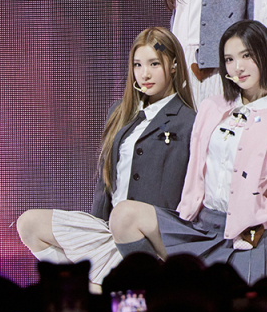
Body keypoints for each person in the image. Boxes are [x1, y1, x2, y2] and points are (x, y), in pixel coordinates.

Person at [108, 20, 267, 284]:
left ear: (266, 55)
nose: (238, 67)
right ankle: (158, 291)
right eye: (229, 59)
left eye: (246, 55)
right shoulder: (211, 108)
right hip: (197, 229)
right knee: (123, 216)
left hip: (247, 240)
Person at [16, 27, 196, 289]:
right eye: (138, 64)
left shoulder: (189, 121)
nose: (144, 74)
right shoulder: (119, 113)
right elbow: (105, 183)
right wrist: (95, 229)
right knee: (29, 224)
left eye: (154, 64)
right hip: (108, 231)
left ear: (174, 66)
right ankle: (91, 287)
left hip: (149, 239)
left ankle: (108, 288)